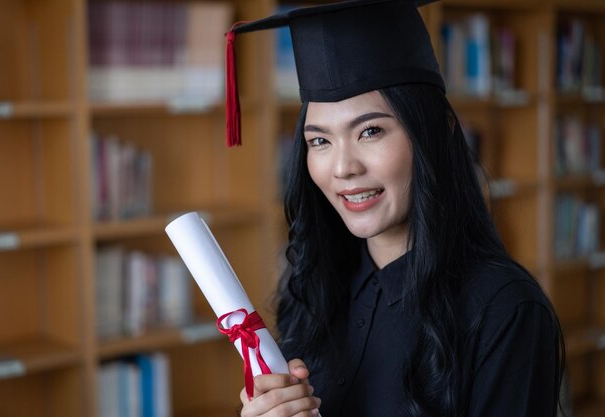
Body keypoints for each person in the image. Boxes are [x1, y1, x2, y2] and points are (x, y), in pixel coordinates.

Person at [224, 1, 565, 416]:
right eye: (320, 141)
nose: (344, 168)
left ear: (437, 132)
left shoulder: (505, 312)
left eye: (370, 131)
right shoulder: (314, 292)